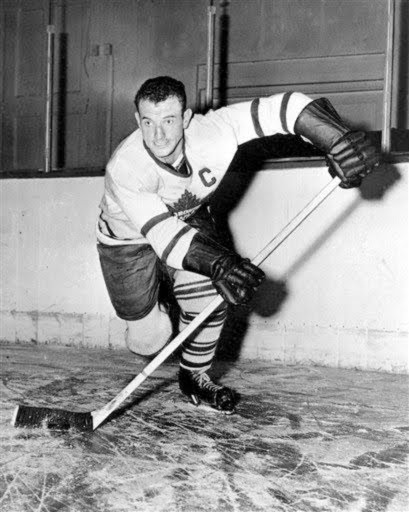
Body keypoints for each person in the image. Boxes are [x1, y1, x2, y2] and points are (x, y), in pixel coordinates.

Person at [97, 76, 380, 414]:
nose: (158, 135)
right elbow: (163, 235)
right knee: (149, 340)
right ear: (137, 120)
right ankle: (167, 304)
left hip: (187, 219)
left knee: (209, 293)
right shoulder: (125, 166)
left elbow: (283, 108)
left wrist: (337, 138)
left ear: (186, 118)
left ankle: (194, 376)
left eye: (168, 121)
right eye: (148, 123)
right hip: (127, 241)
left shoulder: (212, 131)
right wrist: (220, 264)